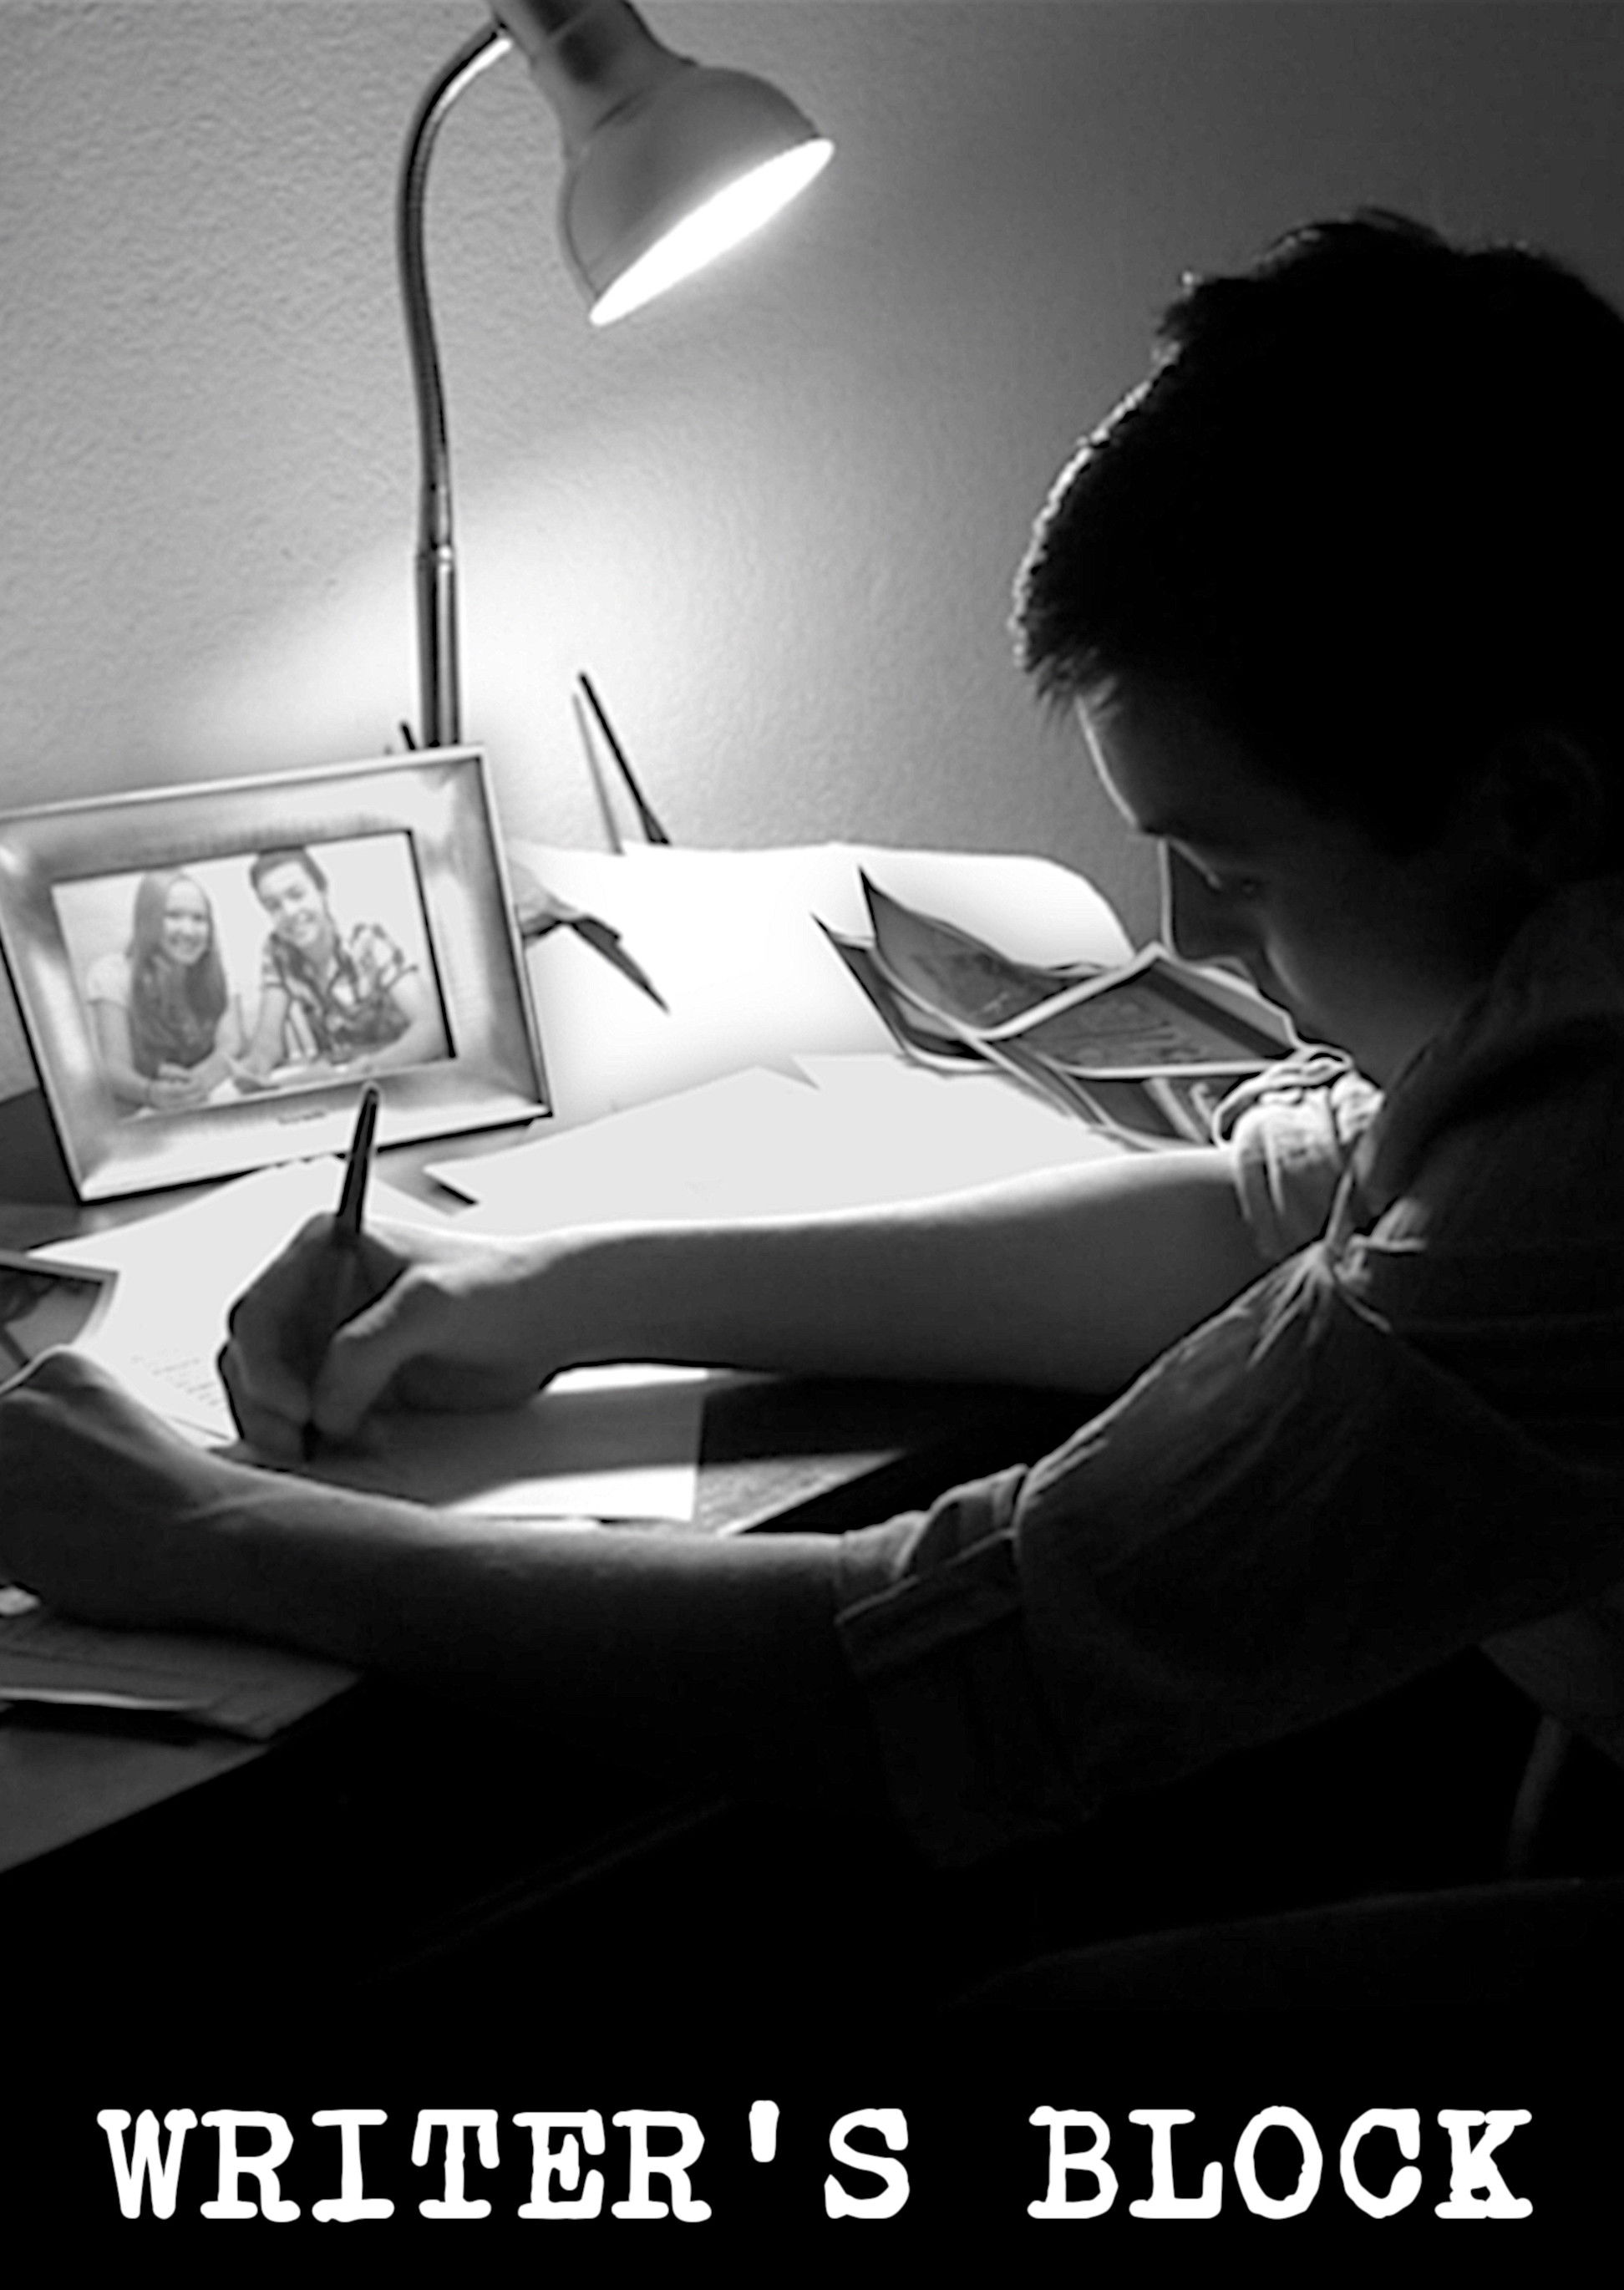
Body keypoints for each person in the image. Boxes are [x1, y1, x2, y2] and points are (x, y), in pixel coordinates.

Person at [3, 212, 1623, 1880]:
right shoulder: (1541, 979)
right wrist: (553, 1287)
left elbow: (952, 1673)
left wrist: (207, 1527)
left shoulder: (1577, 1155)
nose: (1195, 945)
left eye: (1234, 875)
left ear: (1528, 806)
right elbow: (1249, 1221)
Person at [233, 845, 446, 1087]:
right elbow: (268, 1037)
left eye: (297, 895)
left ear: (322, 891)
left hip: (401, 1077)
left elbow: (433, 1027)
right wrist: (257, 1063)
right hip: (340, 1088)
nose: (289, 912)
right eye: (273, 906)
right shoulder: (276, 949)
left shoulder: (366, 939)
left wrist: (374, 1067)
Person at [84, 869, 242, 1112]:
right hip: (144, 1109)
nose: (188, 930)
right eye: (173, 916)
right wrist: (151, 1092)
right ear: (147, 919)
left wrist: (196, 1083)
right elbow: (114, 1068)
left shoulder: (220, 969)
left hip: (209, 1098)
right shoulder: (112, 974)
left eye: (199, 919)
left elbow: (231, 1043)